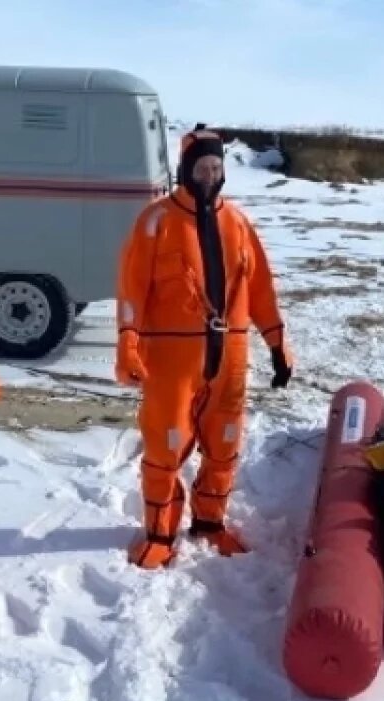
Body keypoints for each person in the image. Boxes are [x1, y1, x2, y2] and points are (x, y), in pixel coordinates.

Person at [114, 123, 294, 569]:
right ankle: (160, 532)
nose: (210, 175)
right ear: (186, 170)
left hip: (229, 356)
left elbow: (261, 289)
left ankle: (210, 523)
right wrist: (128, 343)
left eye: (216, 167)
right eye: (202, 167)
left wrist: (276, 343)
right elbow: (132, 288)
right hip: (172, 359)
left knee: (225, 443)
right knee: (166, 446)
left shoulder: (237, 222)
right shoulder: (157, 220)